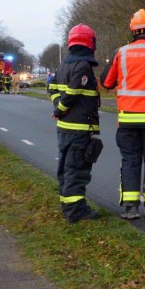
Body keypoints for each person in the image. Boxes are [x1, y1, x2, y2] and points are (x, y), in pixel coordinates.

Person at [101, 9, 145, 220]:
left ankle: (130, 207)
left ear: (133, 31)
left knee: (130, 160)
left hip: (128, 119)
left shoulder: (121, 53)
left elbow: (106, 82)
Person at [48, 24, 101, 224]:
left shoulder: (63, 65)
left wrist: (57, 107)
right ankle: (77, 212)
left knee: (65, 169)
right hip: (79, 129)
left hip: (64, 129)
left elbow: (51, 86)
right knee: (77, 171)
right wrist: (59, 109)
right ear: (90, 42)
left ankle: (68, 206)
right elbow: (73, 91)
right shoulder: (83, 66)